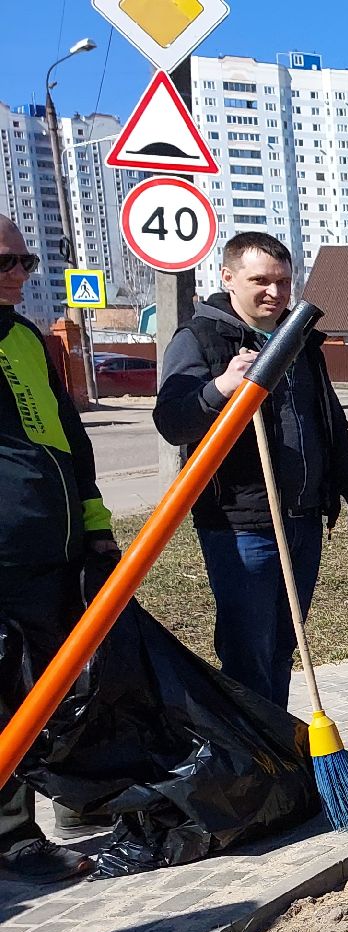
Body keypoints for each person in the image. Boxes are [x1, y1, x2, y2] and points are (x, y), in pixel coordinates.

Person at [153, 232, 348, 709]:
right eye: (260, 281)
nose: (275, 292)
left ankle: (280, 746)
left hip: (303, 519)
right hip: (241, 524)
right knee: (247, 650)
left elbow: (330, 423)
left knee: (282, 643)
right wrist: (220, 387)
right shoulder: (201, 338)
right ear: (228, 278)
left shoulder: (300, 342)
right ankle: (259, 759)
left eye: (283, 281)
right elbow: (171, 420)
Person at [0, 215, 111, 883]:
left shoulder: (28, 341)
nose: (17, 274)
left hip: (54, 550)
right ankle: (14, 837)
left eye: (24, 261)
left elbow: (70, 441)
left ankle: (65, 801)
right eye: (2, 263)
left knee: (49, 689)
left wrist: (95, 526)